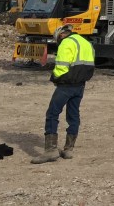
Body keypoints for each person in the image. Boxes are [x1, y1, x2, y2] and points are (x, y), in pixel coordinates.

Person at [31, 24, 95, 164]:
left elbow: (61, 67)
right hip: (80, 85)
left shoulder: (66, 43)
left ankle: (51, 151)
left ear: (61, 35)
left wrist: (55, 79)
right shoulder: (86, 43)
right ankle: (69, 149)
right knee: (73, 115)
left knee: (52, 114)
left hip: (66, 85)